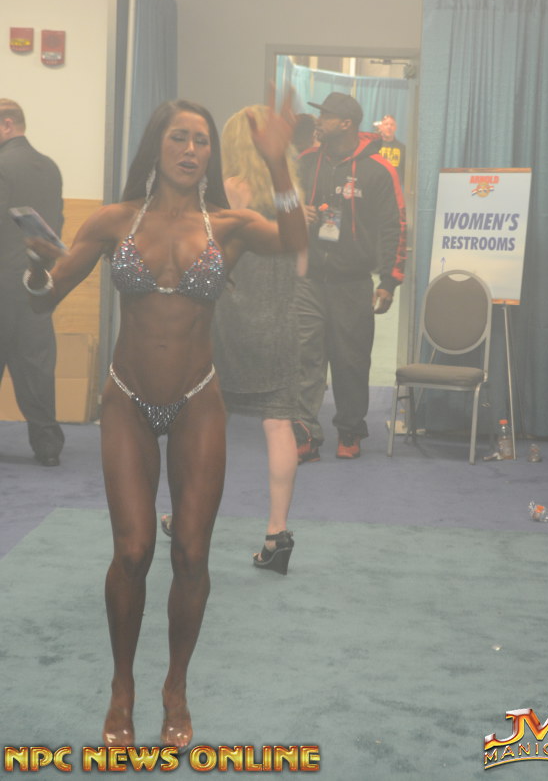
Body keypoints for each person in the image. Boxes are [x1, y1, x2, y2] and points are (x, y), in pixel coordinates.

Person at [23, 96, 306, 749]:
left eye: (201, 141)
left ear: (211, 153)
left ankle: (175, 688)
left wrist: (277, 164)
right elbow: (44, 301)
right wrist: (38, 267)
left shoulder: (230, 224)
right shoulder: (113, 220)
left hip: (197, 399)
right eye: (179, 138)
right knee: (133, 551)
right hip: (126, 398)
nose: (190, 150)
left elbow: (295, 242)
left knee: (191, 554)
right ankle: (122, 687)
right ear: (156, 145)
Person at [162, 104, 304, 575]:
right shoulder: (290, 192)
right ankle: (277, 533)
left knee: (203, 421)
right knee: (279, 425)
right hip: (280, 319)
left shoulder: (224, 191)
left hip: (225, 319)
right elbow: (301, 257)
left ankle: (185, 515)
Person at [293, 92, 406, 462]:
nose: (318, 121)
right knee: (305, 357)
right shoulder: (306, 162)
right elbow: (274, 201)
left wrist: (389, 281)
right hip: (308, 279)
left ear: (345, 123)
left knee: (351, 361)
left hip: (353, 282)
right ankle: (305, 433)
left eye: (325, 115)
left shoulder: (378, 169)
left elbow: (394, 226)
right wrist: (294, 210)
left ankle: (350, 430)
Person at [0, 99, 65, 466]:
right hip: (35, 280)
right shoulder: (50, 167)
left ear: (7, 125)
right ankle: (48, 447)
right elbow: (57, 224)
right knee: (37, 365)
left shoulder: (1, 165)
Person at [376, 114, 405, 183]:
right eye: (386, 124)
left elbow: (404, 172)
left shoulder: (402, 148)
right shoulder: (374, 146)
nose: (389, 127)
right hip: (377, 185)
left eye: (392, 125)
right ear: (381, 127)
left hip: (395, 186)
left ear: (395, 128)